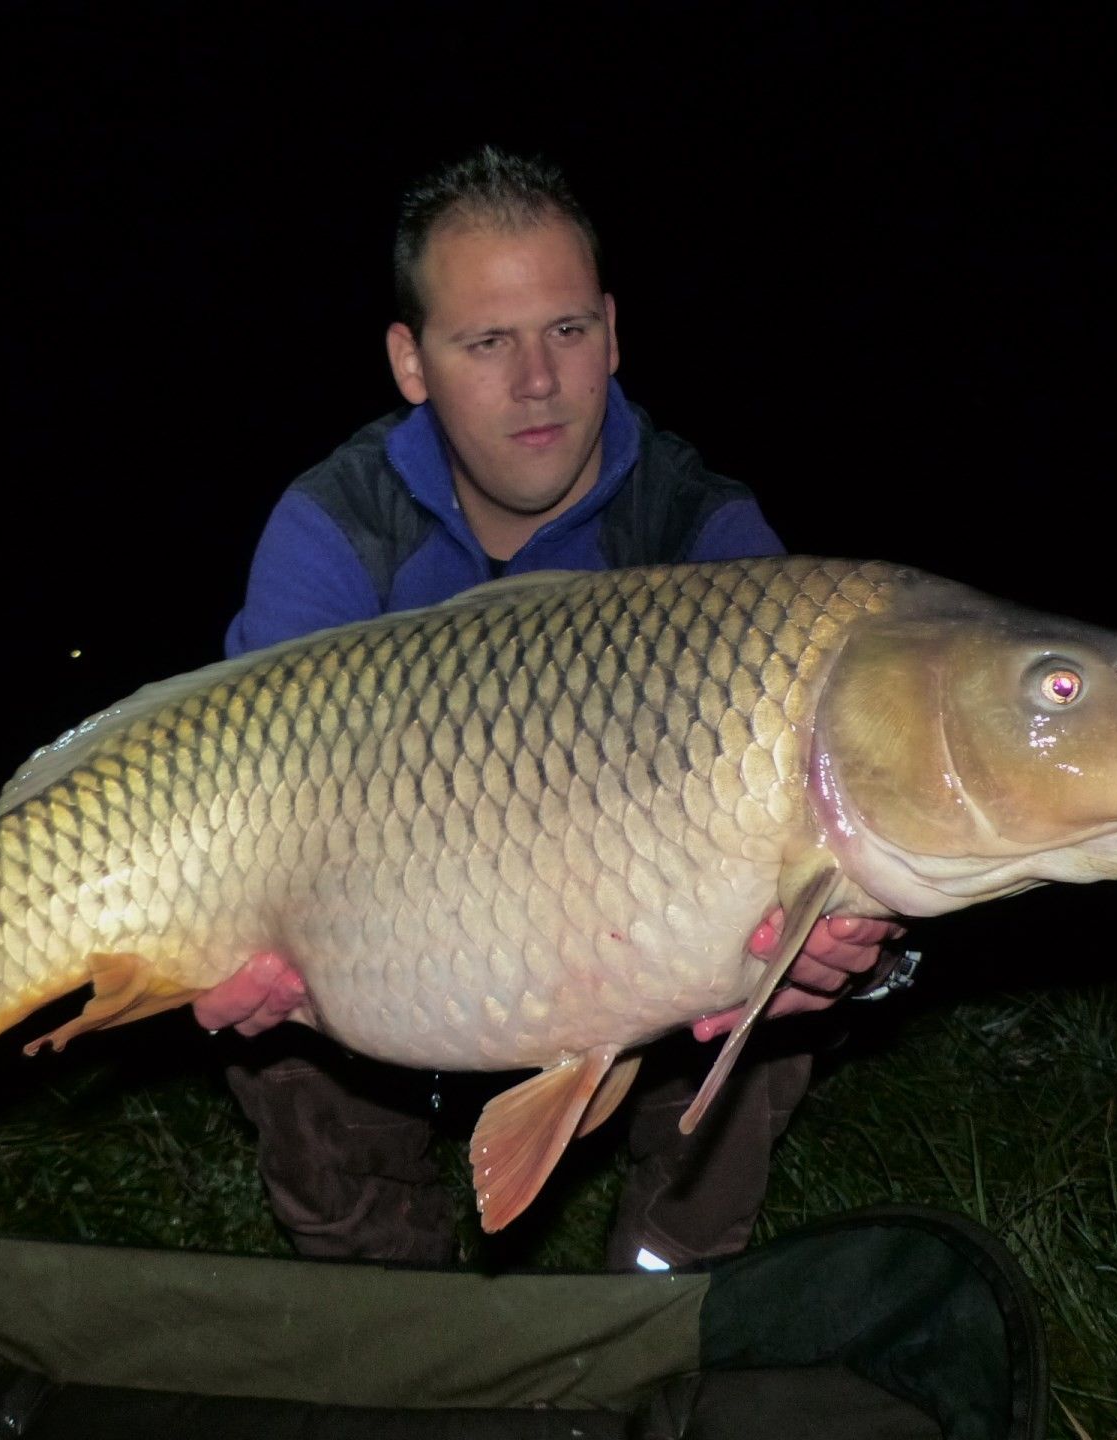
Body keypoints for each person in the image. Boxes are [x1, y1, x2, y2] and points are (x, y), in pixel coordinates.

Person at [191, 146, 904, 1271]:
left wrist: (859, 946)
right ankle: (396, 1316)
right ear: (411, 361)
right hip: (383, 964)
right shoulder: (336, 532)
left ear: (613, 333)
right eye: (486, 342)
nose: (538, 381)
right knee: (269, 1027)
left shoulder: (705, 541)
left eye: (568, 332)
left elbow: (847, 818)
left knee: (771, 984)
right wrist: (235, 940)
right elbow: (239, 809)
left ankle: (654, 1291)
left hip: (641, 973)